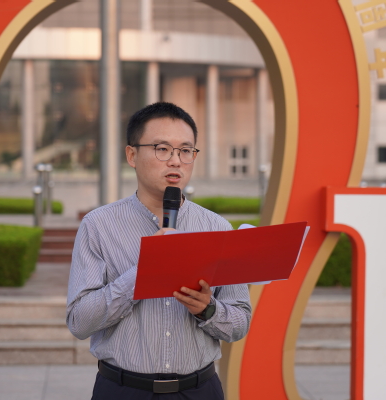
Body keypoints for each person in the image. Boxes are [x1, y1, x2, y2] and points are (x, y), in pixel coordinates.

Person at [66, 102, 252, 399]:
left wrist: (207, 309)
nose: (176, 161)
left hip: (199, 390)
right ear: (132, 155)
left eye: (186, 150)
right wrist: (144, 272)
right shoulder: (99, 225)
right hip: (123, 390)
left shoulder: (217, 227)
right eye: (162, 149)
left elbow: (239, 323)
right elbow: (79, 322)